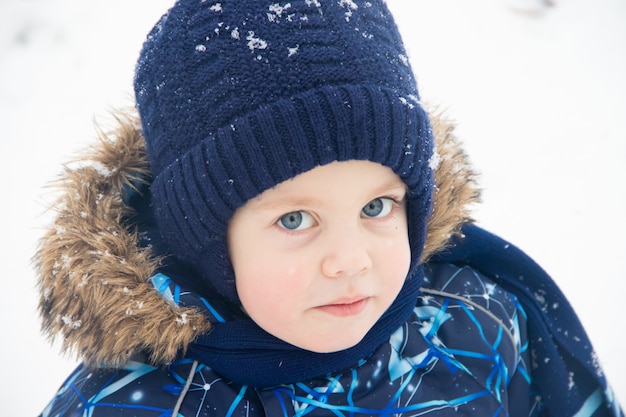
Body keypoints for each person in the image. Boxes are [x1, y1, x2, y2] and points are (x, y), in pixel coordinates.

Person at [34, 1, 622, 416]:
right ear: (204, 242)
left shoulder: (478, 324)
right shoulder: (128, 405)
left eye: (376, 207)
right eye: (295, 219)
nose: (350, 261)